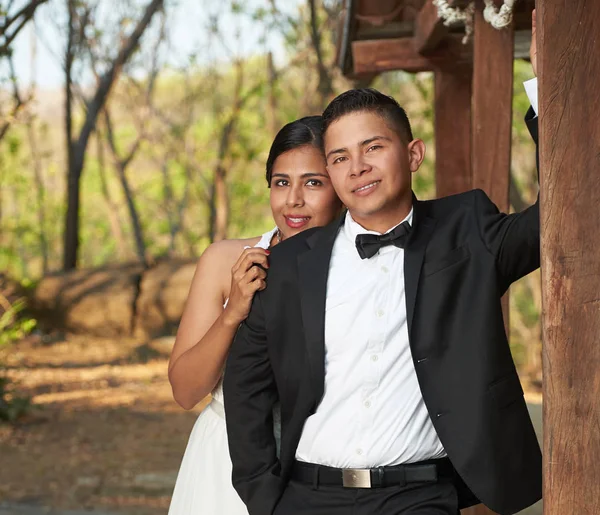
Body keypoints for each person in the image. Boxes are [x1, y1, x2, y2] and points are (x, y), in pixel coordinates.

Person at [223, 22, 541, 515]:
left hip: (419, 496)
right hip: (307, 497)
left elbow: (559, 220)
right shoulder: (287, 265)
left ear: (413, 154)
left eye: (373, 147)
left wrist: (547, 87)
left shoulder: (466, 230)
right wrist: (265, 497)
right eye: (340, 157)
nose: (358, 168)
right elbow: (246, 383)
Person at [167, 115, 342, 515]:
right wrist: (233, 313)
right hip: (225, 462)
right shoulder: (225, 260)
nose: (293, 200)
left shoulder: (361, 266)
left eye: (313, 182)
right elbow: (185, 391)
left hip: (323, 466)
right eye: (281, 183)